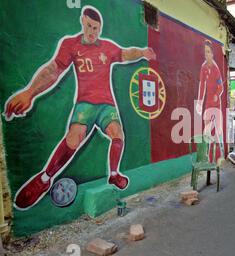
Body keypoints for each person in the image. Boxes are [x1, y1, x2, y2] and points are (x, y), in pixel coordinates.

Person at [3, 6, 156, 210]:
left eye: (97, 29)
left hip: (106, 105)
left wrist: (144, 52)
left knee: (117, 133)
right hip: (85, 104)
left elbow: (127, 54)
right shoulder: (70, 45)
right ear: (83, 21)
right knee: (74, 137)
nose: (93, 32)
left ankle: (113, 174)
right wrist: (29, 92)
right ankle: (44, 178)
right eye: (90, 27)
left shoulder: (106, 47)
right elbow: (53, 70)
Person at [196, 40, 224, 163]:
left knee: (218, 131)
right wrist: (200, 102)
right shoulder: (203, 67)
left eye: (208, 52)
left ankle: (220, 153)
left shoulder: (216, 69)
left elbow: (221, 87)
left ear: (212, 54)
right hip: (208, 104)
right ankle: (205, 156)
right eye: (205, 52)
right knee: (206, 131)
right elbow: (202, 85)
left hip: (216, 105)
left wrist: (217, 95)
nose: (206, 54)